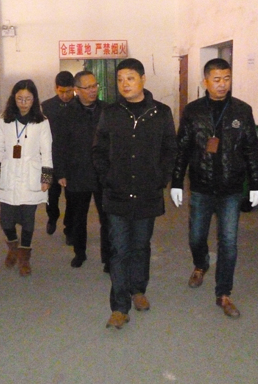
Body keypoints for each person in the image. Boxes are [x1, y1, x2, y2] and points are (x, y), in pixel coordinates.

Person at [170, 58, 258, 318]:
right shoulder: (193, 111)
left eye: (227, 79)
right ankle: (201, 264)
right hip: (201, 185)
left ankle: (223, 293)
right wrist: (176, 181)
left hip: (231, 188)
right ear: (206, 82)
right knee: (196, 237)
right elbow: (182, 149)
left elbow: (251, 150)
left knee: (228, 241)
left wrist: (256, 183)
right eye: (217, 79)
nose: (222, 84)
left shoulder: (242, 111)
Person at [92, 58, 177, 329]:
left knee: (141, 245)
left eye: (130, 78)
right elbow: (99, 150)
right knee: (119, 249)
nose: (124, 84)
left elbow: (169, 150)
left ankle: (138, 290)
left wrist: (160, 179)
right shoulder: (111, 113)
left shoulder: (160, 113)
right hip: (116, 192)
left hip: (146, 192)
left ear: (142, 79)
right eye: (120, 79)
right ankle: (119, 307)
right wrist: (107, 177)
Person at [0, 79, 53, 277]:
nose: (24, 103)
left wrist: (46, 178)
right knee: (6, 221)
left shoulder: (42, 121)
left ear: (34, 99)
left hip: (30, 174)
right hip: (9, 173)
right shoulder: (4, 119)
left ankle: (24, 257)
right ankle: (13, 247)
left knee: (28, 221)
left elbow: (46, 151)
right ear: (13, 98)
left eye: (28, 99)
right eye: (20, 99)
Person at [53, 71, 110, 270]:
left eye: (95, 86)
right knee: (78, 217)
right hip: (77, 172)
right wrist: (60, 172)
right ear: (77, 90)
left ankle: (108, 258)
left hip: (103, 172)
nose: (93, 90)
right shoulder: (66, 114)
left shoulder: (107, 110)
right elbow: (59, 145)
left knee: (108, 218)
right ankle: (80, 253)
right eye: (88, 87)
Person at [41, 71, 75, 242]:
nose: (65, 95)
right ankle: (52, 216)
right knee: (51, 196)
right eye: (62, 91)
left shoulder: (79, 106)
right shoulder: (47, 107)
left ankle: (70, 229)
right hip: (51, 158)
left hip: (73, 160)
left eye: (69, 91)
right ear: (56, 88)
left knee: (72, 198)